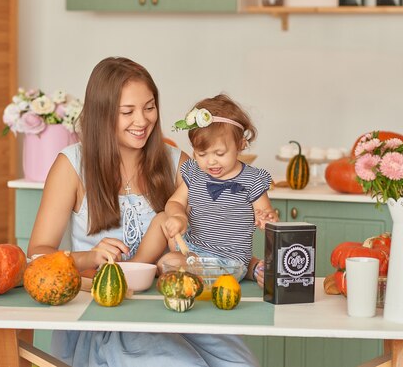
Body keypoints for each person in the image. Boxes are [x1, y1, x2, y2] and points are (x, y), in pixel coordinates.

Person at [27, 57, 259, 367]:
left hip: (174, 305)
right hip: (106, 318)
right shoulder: (71, 166)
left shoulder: (178, 163)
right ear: (102, 113)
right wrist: (88, 257)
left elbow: (212, 238)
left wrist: (252, 262)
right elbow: (37, 255)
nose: (142, 121)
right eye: (128, 112)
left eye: (149, 107)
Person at [140, 94, 277, 285]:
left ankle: (246, 269)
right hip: (191, 248)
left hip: (229, 260)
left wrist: (266, 219)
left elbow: (266, 215)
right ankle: (136, 265)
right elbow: (175, 202)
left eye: (219, 153)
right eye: (201, 154)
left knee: (166, 263)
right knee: (163, 218)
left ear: (240, 144)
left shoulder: (252, 179)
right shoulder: (195, 172)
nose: (211, 161)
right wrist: (178, 216)